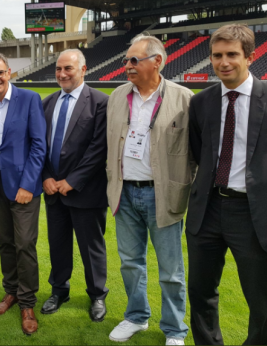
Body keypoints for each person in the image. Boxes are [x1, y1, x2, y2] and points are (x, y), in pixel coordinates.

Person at [187, 24, 267, 345]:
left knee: (261, 301)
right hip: (208, 210)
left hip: (254, 213)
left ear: (250, 57)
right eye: (217, 55)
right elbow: (197, 151)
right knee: (201, 292)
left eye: (232, 54)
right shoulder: (201, 102)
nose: (223, 62)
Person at [106, 34, 194, 345]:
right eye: (126, 61)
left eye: (134, 60)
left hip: (163, 195)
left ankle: (174, 330)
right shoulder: (117, 96)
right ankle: (136, 317)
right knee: (131, 263)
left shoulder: (185, 98)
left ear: (157, 61)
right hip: (124, 194)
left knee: (171, 269)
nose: (127, 66)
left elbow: (196, 152)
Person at [0, 52, 46, 335]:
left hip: (24, 187)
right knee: (6, 243)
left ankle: (27, 303)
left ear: (10, 72)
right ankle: (11, 291)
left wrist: (28, 184)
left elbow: (39, 145)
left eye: (0, 72)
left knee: (25, 244)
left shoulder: (29, 99)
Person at [40, 49, 109, 322]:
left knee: (91, 247)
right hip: (53, 190)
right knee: (57, 244)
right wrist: (46, 176)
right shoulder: (47, 103)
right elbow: (39, 146)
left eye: (68, 68)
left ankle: (97, 295)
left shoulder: (101, 102)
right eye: (58, 69)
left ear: (83, 69)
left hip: (86, 191)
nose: (62, 74)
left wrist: (73, 180)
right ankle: (59, 290)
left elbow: (98, 148)